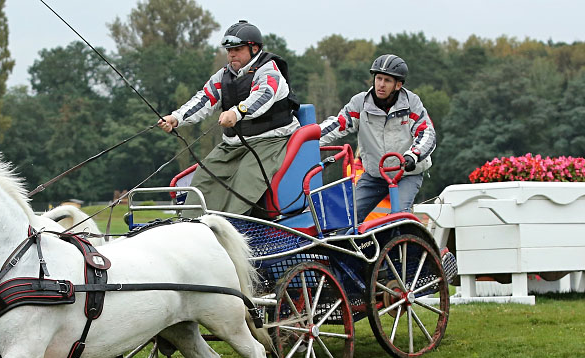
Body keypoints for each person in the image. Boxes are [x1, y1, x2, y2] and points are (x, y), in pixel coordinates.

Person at [159, 20, 300, 217]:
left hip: (271, 141)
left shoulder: (270, 72)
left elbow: (263, 97)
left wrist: (236, 112)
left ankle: (231, 228)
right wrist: (176, 118)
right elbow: (204, 99)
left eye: (238, 49)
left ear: (255, 49)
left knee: (246, 178)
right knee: (204, 176)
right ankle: (191, 226)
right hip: (233, 144)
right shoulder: (223, 76)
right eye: (229, 50)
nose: (231, 54)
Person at [318, 54, 437, 222]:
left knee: (399, 217)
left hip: (407, 174)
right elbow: (337, 124)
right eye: (378, 78)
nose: (381, 85)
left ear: (398, 85)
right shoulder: (360, 103)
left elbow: (427, 133)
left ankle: (400, 244)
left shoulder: (412, 103)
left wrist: (413, 155)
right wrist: (308, 138)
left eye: (387, 80)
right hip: (374, 175)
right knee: (348, 217)